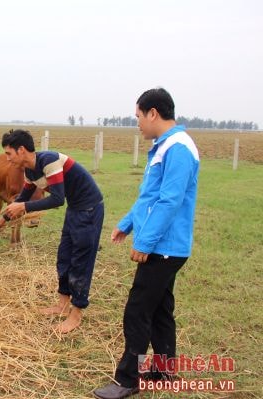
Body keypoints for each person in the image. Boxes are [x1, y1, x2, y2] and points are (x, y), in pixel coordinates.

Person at [93, 88, 200, 399]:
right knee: (160, 308)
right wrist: (127, 224)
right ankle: (165, 371)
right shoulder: (165, 146)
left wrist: (146, 242)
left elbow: (169, 201)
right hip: (165, 245)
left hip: (164, 247)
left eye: (138, 116)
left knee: (138, 310)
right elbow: (149, 196)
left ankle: (128, 380)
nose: (137, 123)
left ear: (153, 113)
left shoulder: (178, 148)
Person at [0, 129, 104, 334]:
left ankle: (76, 314)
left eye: (9, 154)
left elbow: (57, 199)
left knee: (80, 261)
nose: (7, 159)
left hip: (89, 209)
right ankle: (62, 305)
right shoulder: (30, 171)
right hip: (75, 209)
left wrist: (24, 208)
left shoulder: (49, 161)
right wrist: (1, 221)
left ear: (21, 150)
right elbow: (22, 197)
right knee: (63, 257)